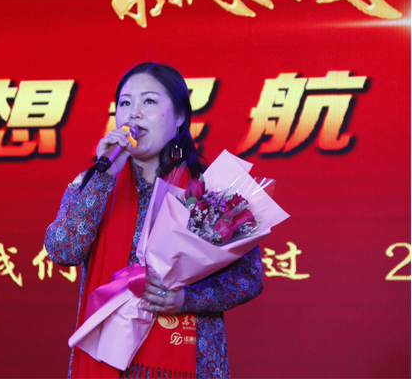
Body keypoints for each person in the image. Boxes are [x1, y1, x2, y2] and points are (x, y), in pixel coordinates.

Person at [44, 62, 263, 378]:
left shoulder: (210, 190)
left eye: (148, 101)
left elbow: (249, 278)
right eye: (125, 103)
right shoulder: (93, 181)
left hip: (187, 358)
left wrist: (186, 298)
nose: (133, 113)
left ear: (179, 116)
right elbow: (62, 251)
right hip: (106, 357)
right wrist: (104, 176)